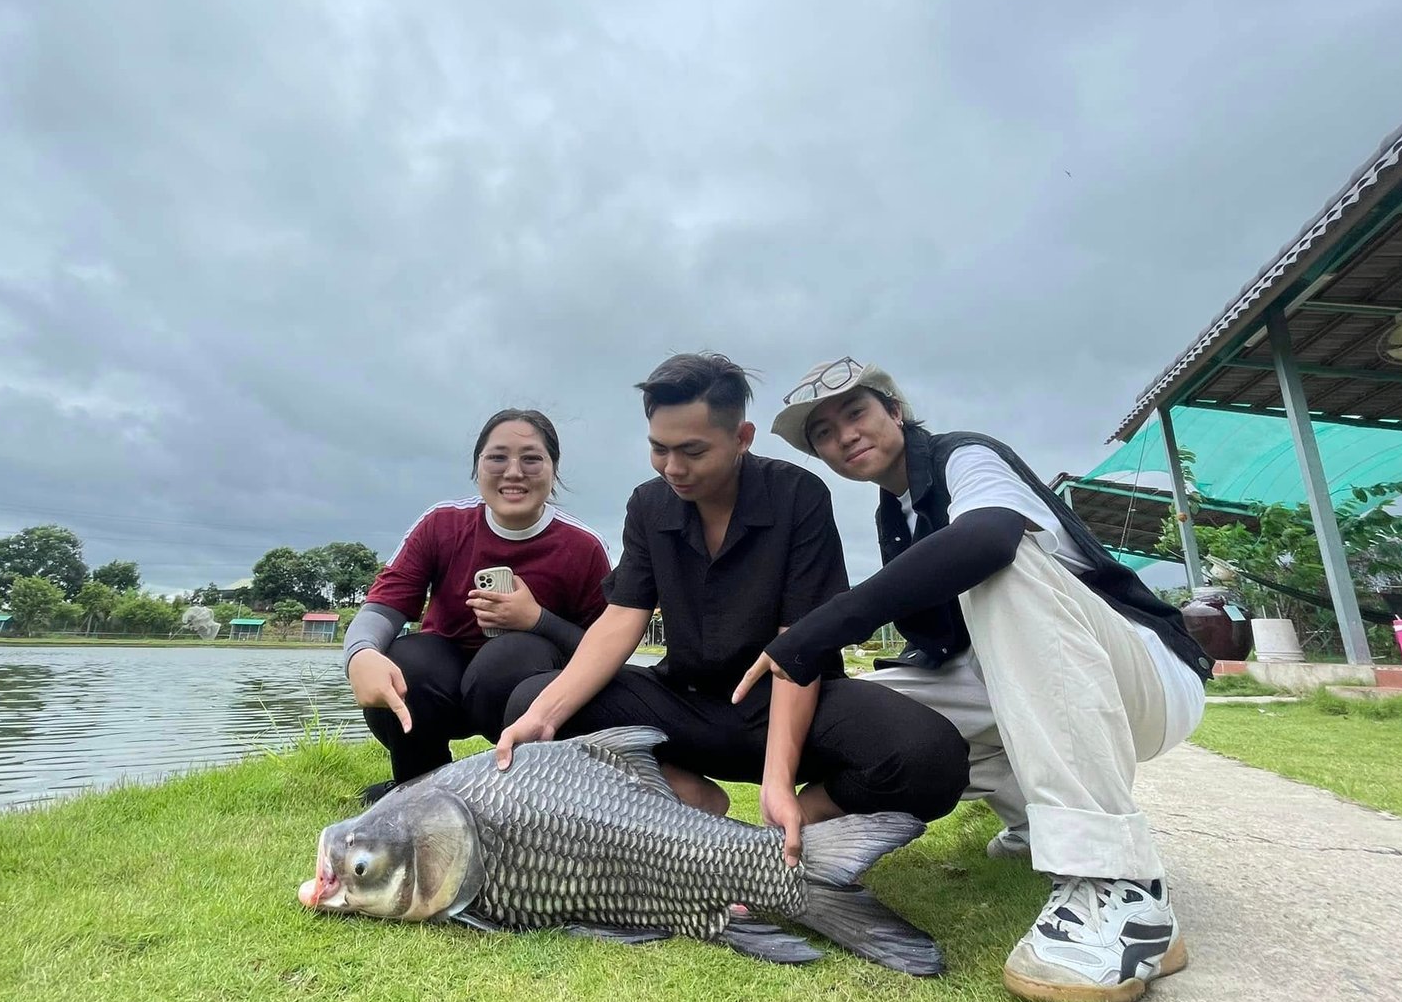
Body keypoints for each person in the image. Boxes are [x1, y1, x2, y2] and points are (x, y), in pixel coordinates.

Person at [751, 356, 1211, 1002]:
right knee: (873, 714)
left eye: (855, 412)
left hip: (1146, 674)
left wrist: (818, 629)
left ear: (896, 411)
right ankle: (1031, 822)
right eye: (823, 433)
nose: (844, 435)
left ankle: (1120, 887)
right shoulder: (894, 515)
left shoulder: (964, 457)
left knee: (998, 565)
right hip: (1045, 685)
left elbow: (989, 540)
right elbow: (943, 654)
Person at [497, 353, 969, 864]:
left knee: (929, 756)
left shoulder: (798, 495)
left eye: (693, 451)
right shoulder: (648, 505)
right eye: (659, 449)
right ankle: (688, 804)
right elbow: (622, 619)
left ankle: (802, 823)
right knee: (532, 701)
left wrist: (778, 782)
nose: (673, 468)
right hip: (686, 704)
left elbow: (798, 646)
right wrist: (543, 718)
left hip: (789, 707)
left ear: (742, 438)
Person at [342, 408, 611, 804]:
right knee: (407, 659)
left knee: (508, 657)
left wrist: (537, 620)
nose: (514, 472)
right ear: (477, 467)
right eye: (497, 457)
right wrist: (360, 653)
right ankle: (420, 789)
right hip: (441, 688)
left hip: (524, 692)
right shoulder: (441, 524)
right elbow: (383, 606)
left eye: (531, 459)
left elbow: (605, 647)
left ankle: (520, 792)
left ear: (554, 469)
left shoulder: (583, 546)